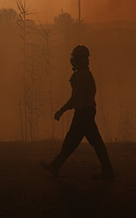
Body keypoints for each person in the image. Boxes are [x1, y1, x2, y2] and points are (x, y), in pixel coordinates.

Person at [40, 44, 115, 179]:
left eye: (74, 57)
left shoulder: (82, 76)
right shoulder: (83, 74)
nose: (72, 60)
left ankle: (55, 166)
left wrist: (62, 110)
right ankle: (107, 170)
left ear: (80, 59)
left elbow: (76, 98)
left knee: (72, 142)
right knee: (94, 143)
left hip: (83, 114)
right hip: (86, 112)